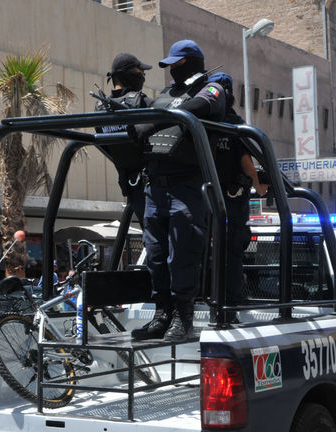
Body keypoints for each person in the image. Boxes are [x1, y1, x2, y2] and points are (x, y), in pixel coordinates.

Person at [130, 40, 226, 342]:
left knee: (182, 255)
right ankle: (163, 314)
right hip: (155, 186)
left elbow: (200, 106)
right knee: (156, 256)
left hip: (186, 185)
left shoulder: (211, 89)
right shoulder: (165, 94)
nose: (172, 70)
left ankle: (183, 318)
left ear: (192, 62)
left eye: (178, 64)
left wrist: (157, 122)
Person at [206, 72, 268, 320]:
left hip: (206, 199)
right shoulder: (235, 125)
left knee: (206, 247)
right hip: (231, 199)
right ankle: (231, 299)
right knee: (232, 249)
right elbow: (246, 162)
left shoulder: (202, 122)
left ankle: (208, 293)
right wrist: (260, 186)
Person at [95, 52, 153, 224]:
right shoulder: (142, 103)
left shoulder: (99, 109)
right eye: (140, 72)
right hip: (152, 184)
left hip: (129, 182)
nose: (143, 76)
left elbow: (105, 145)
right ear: (128, 74)